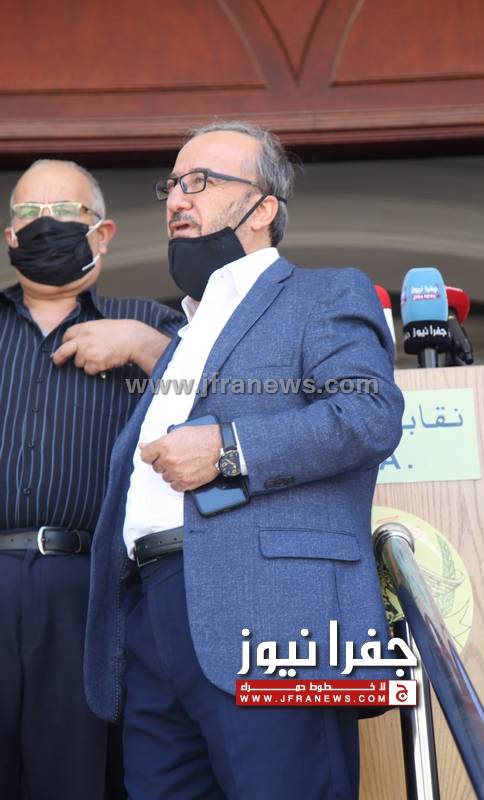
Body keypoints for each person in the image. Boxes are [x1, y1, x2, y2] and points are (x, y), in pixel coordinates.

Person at [84, 122, 404, 800]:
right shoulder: (184, 334)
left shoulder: (324, 293)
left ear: (262, 208)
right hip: (154, 619)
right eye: (172, 184)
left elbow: (368, 414)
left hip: (276, 617)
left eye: (200, 181)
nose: (176, 198)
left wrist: (228, 450)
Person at [0, 158, 181, 800]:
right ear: (10, 236)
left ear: (102, 234)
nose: (44, 225)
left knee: (77, 775)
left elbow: (225, 398)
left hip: (94, 588)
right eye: (29, 213)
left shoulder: (151, 325)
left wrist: (144, 347)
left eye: (64, 213)